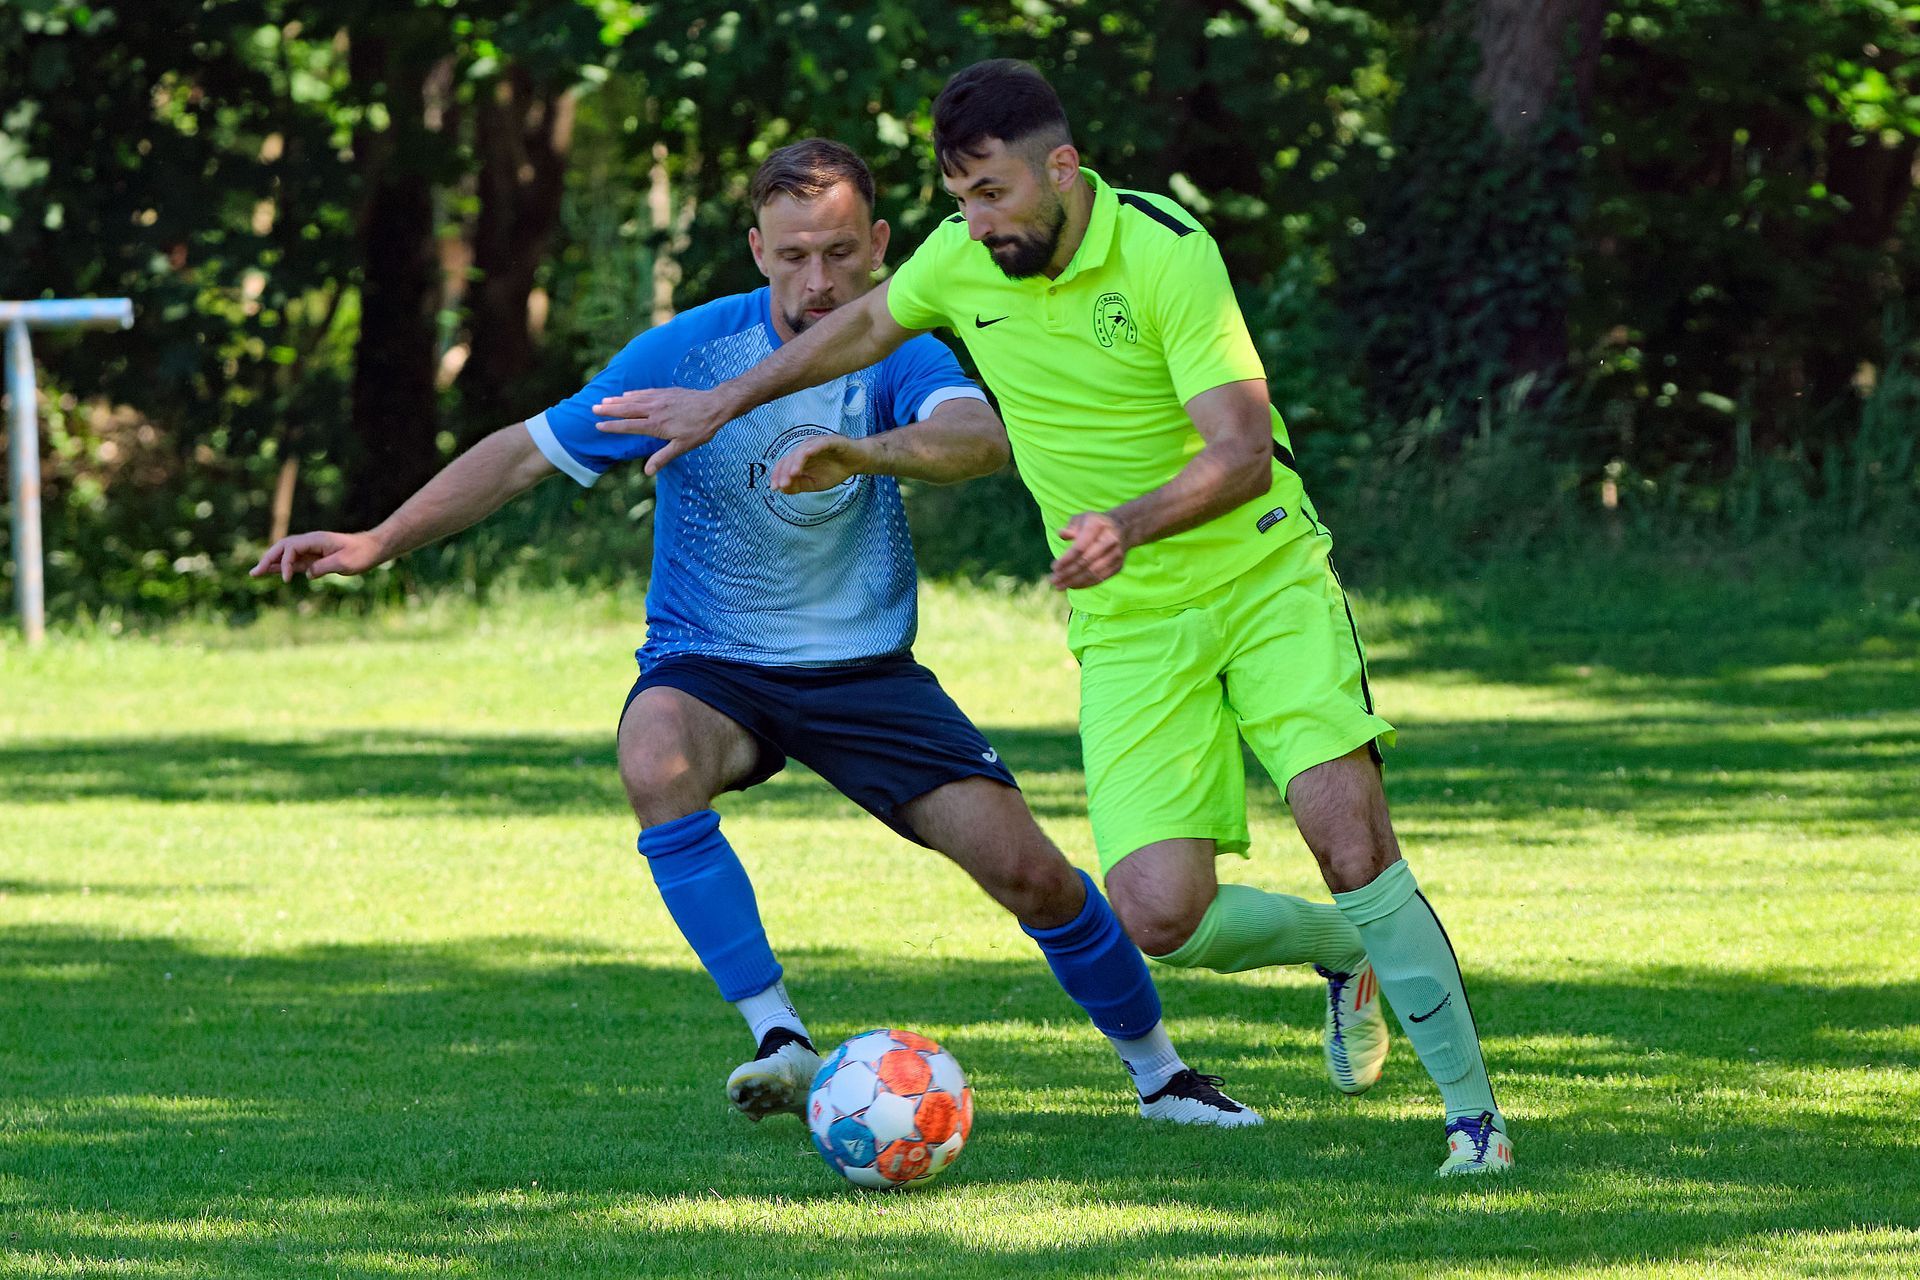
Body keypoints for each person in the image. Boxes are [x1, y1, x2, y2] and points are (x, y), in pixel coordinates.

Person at [592, 67, 1513, 1176]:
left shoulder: (1167, 253)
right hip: (1127, 622)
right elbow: (865, 327)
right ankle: (1343, 949)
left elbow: (1239, 453)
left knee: (1350, 842)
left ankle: (1474, 1123)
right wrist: (724, 401)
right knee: (1161, 915)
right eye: (960, 198)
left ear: (1062, 169)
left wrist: (1126, 521)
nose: (976, 222)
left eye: (993, 194)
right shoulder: (960, 257)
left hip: (1265, 581)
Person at [253, 138, 1265, 1130]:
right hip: (715, 665)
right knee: (654, 753)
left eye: (840, 253)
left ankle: (1162, 1075)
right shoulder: (689, 354)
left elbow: (979, 438)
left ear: (879, 245)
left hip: (866, 673)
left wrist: (860, 452)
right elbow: (526, 453)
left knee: (1033, 875)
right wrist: (378, 540)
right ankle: (779, 1034)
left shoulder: (901, 345)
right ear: (757, 251)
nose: (818, 281)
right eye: (794, 256)